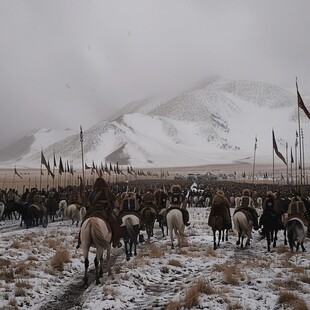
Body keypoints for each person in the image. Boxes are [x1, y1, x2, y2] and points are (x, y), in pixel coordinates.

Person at [76, 177, 122, 249]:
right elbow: (113, 204)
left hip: (93, 210)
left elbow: (88, 202)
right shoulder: (108, 192)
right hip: (105, 210)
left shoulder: (93, 192)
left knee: (84, 222)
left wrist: (91, 207)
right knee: (115, 221)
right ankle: (116, 240)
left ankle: (80, 240)